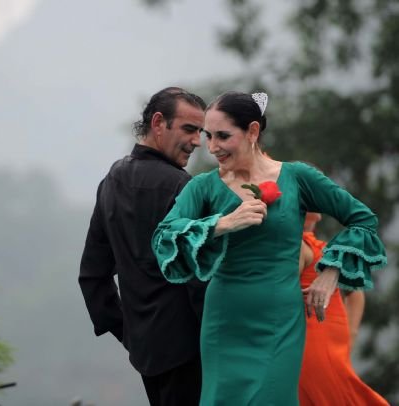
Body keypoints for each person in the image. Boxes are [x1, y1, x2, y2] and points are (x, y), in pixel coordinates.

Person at [152, 91, 387, 405]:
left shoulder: (298, 177)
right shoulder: (203, 186)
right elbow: (164, 237)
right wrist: (223, 223)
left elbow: (363, 221)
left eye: (223, 136)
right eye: (208, 136)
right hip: (225, 322)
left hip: (280, 322)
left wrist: (331, 272)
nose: (212, 147)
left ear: (252, 131)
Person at [79, 87, 207, 406]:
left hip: (147, 355)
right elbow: (199, 278)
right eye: (189, 129)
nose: (197, 141)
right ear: (158, 123)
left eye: (200, 132)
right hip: (192, 352)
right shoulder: (183, 187)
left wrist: (130, 334)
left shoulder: (111, 182)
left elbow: (92, 276)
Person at [299, 212, 389, 405]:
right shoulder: (304, 248)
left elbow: (355, 293)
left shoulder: (315, 248)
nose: (319, 216)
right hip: (312, 346)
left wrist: (350, 336)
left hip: (321, 347)